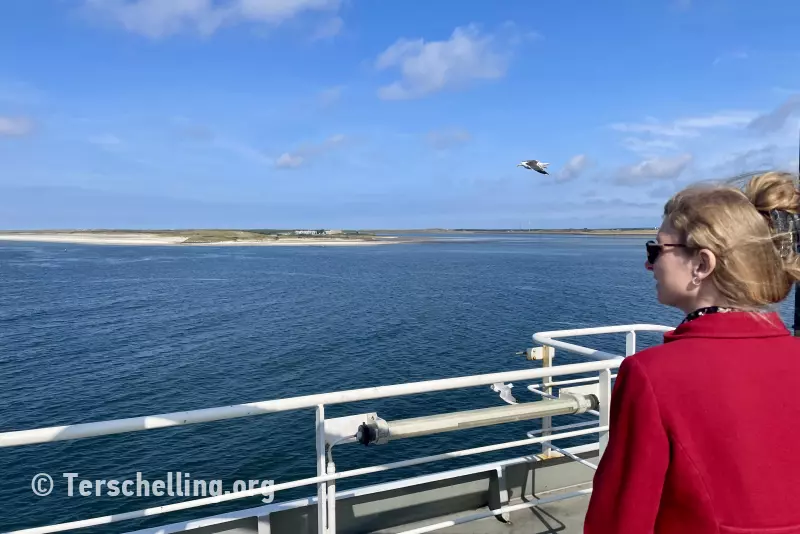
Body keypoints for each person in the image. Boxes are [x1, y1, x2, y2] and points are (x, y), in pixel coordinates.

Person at [583, 171, 800, 533]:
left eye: (656, 249)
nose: (648, 264)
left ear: (702, 264)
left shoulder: (652, 374)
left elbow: (621, 519)